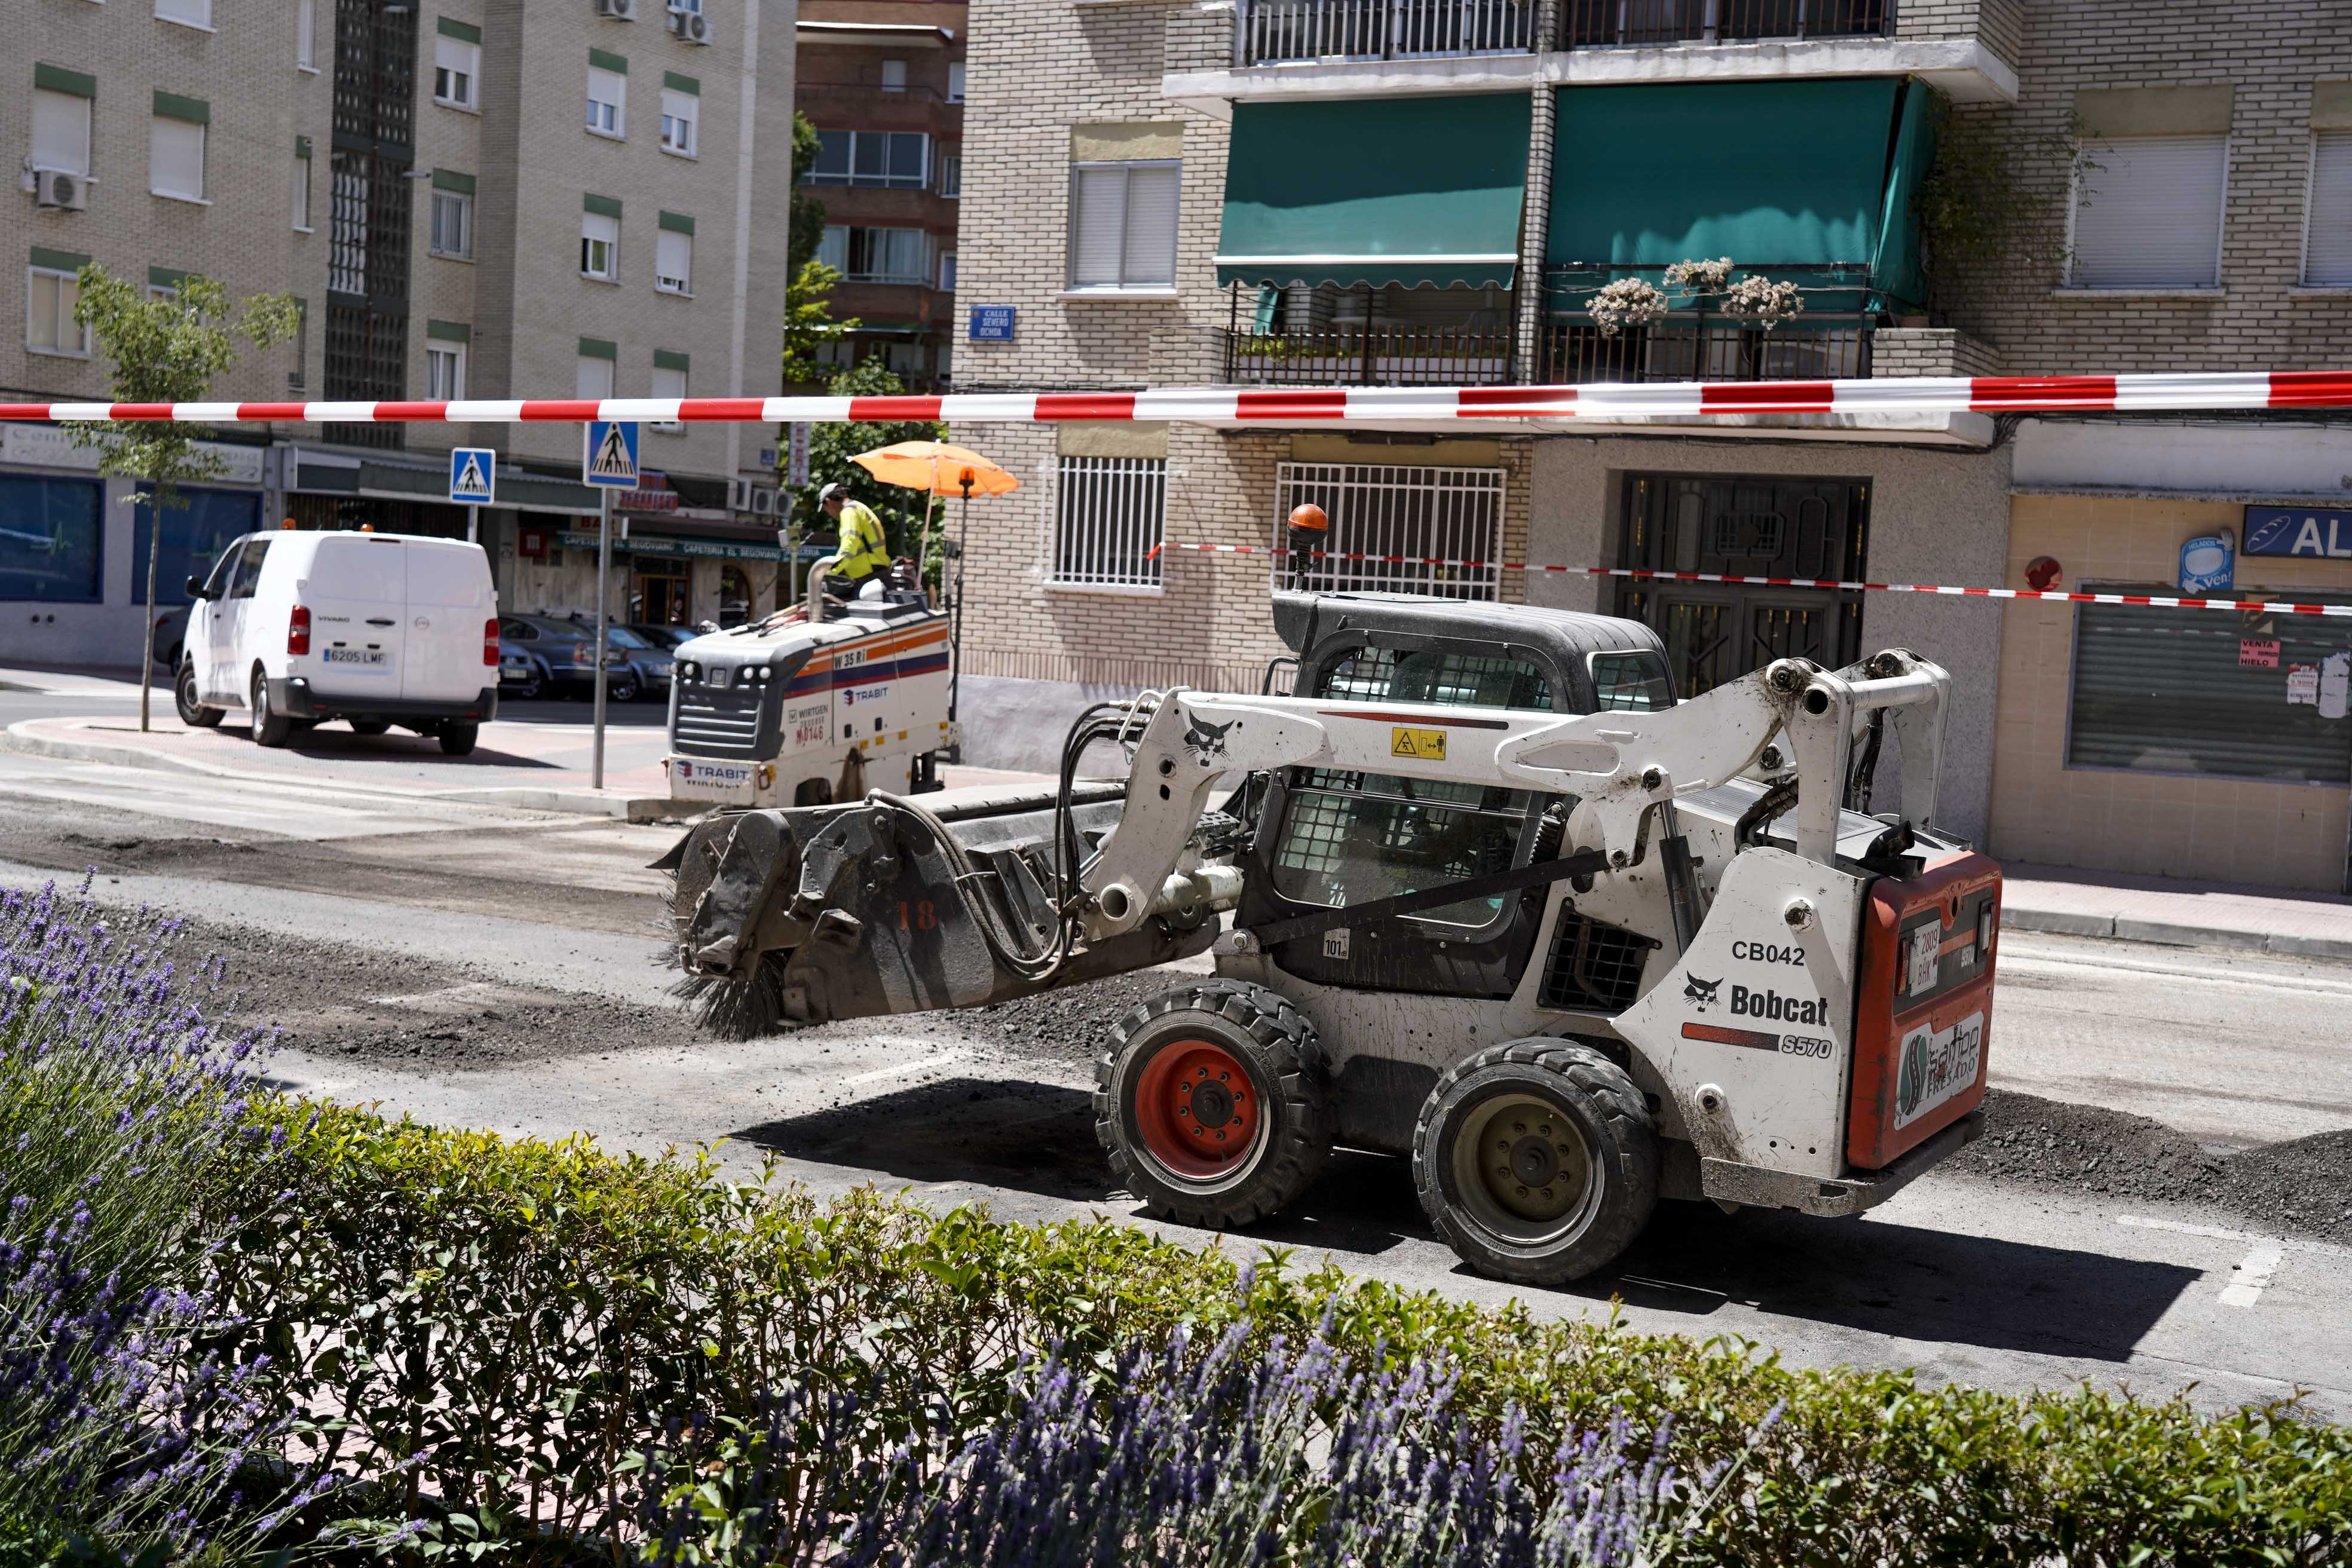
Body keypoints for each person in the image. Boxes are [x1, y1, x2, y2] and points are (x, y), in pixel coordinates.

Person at [817, 482, 891, 601]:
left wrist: (831, 572)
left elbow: (849, 546)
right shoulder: (858, 507)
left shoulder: (849, 512)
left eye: (826, 510)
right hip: (878, 576)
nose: (830, 514)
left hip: (869, 580)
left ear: (828, 501)